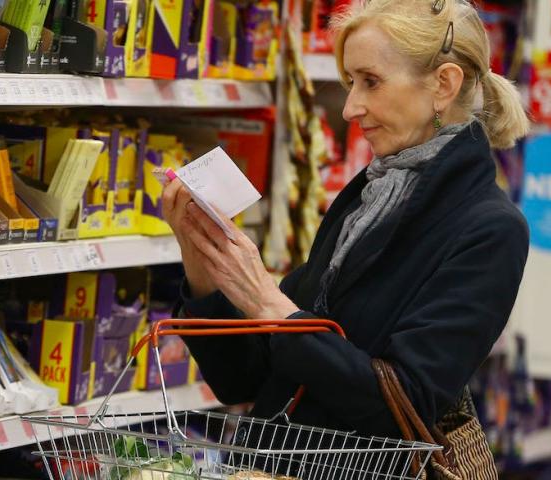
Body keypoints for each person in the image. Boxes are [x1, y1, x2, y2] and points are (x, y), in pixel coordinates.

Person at [162, 0, 530, 439]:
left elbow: (404, 410)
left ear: (443, 85)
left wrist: (271, 305)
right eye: (350, 82)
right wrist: (202, 265)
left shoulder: (489, 229)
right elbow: (243, 381)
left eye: (370, 82)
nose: (349, 108)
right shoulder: (367, 199)